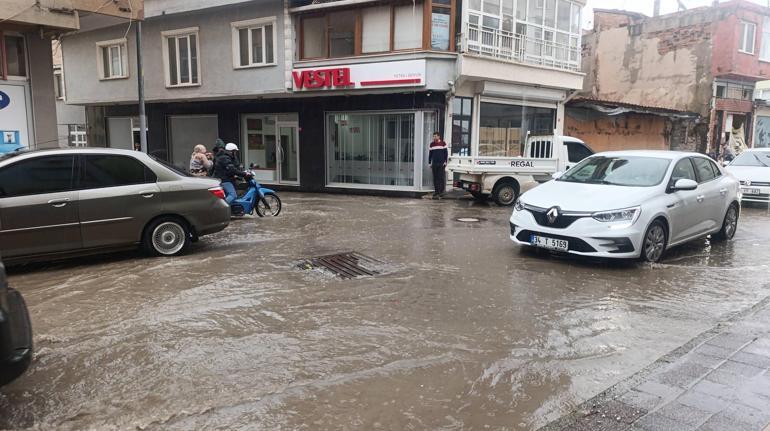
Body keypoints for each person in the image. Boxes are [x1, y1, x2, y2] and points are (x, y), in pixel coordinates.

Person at [428, 132, 448, 199]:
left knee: (440, 178)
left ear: (439, 137)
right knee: (435, 178)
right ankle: (436, 192)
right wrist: (429, 163)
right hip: (434, 163)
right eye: (433, 136)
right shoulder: (432, 144)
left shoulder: (443, 143)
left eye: (435, 136)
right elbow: (430, 154)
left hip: (441, 163)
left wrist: (445, 162)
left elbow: (446, 153)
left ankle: (441, 192)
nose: (434, 137)